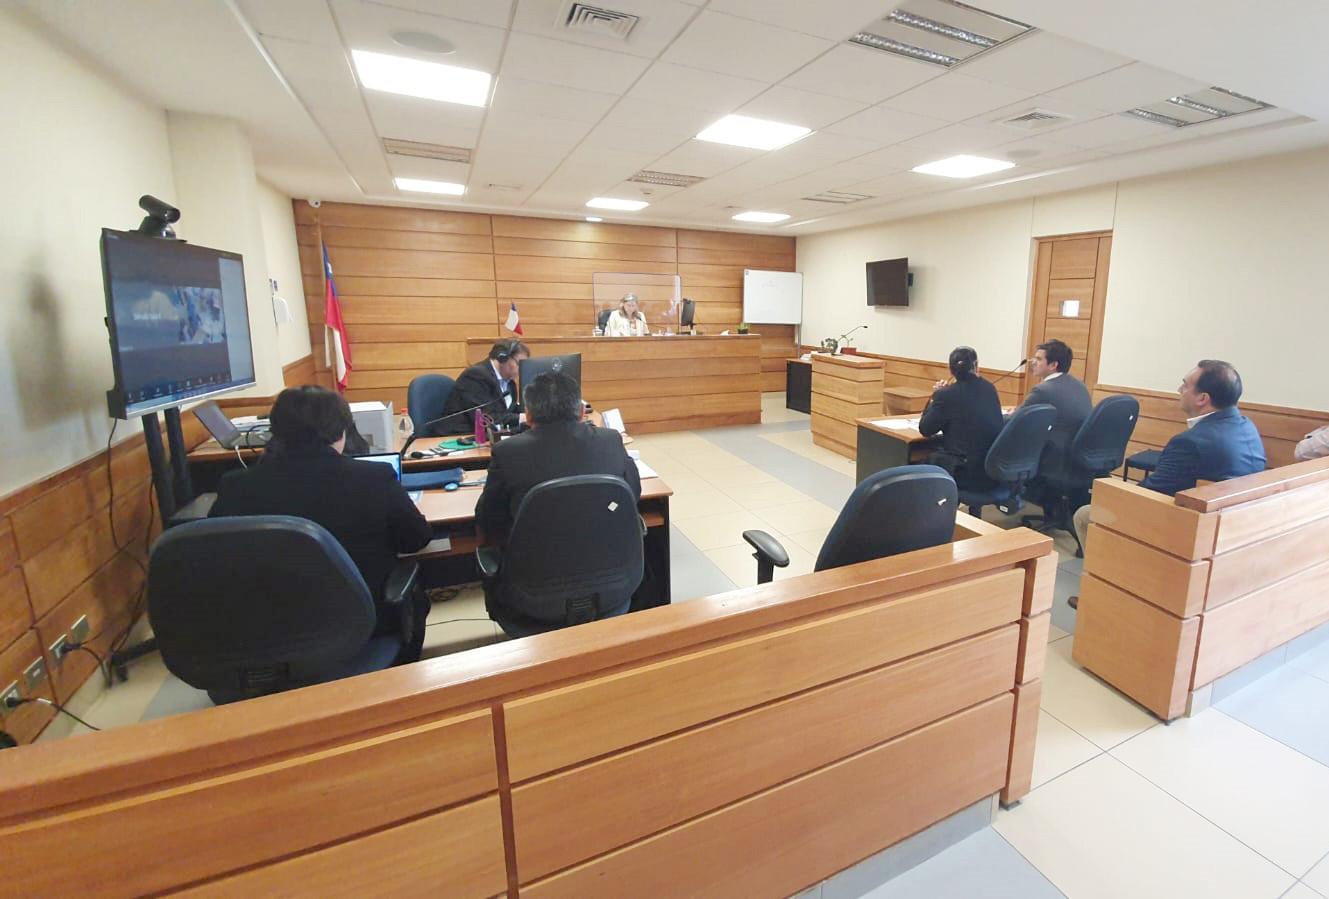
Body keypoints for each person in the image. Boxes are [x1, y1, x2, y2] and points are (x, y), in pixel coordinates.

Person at [209, 386, 433, 660]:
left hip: (264, 634)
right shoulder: (373, 477)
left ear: (275, 431)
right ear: (342, 431)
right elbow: (417, 538)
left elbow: (219, 557)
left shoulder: (234, 486)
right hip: (363, 625)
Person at [1069, 360, 1265, 608]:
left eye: (1185, 385)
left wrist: (1112, 494)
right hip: (1233, 524)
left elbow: (1149, 494)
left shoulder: (1190, 442)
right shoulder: (1247, 428)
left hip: (1186, 530)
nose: (1179, 390)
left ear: (1202, 398)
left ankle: (1106, 591)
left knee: (1086, 515)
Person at [476, 371, 641, 537]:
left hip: (534, 551)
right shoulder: (610, 440)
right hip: (608, 547)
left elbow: (488, 518)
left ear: (528, 416)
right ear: (582, 412)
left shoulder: (507, 452)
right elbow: (633, 492)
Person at [918, 346, 1004, 491]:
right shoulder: (990, 388)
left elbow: (925, 429)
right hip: (990, 469)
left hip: (963, 471)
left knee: (921, 461)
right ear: (976, 366)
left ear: (951, 370)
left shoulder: (946, 395)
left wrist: (935, 398)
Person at [1021, 339, 1092, 492]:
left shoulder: (1043, 390)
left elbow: (1016, 421)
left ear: (1053, 365)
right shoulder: (1080, 386)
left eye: (1039, 359)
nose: (1033, 362)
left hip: (1055, 457)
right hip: (1078, 457)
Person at [440, 339, 530, 431]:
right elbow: (485, 418)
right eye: (519, 363)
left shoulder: (510, 383)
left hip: (491, 434)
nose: (522, 368)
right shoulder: (475, 376)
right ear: (503, 358)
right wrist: (521, 418)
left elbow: (510, 411)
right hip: (459, 434)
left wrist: (532, 415)